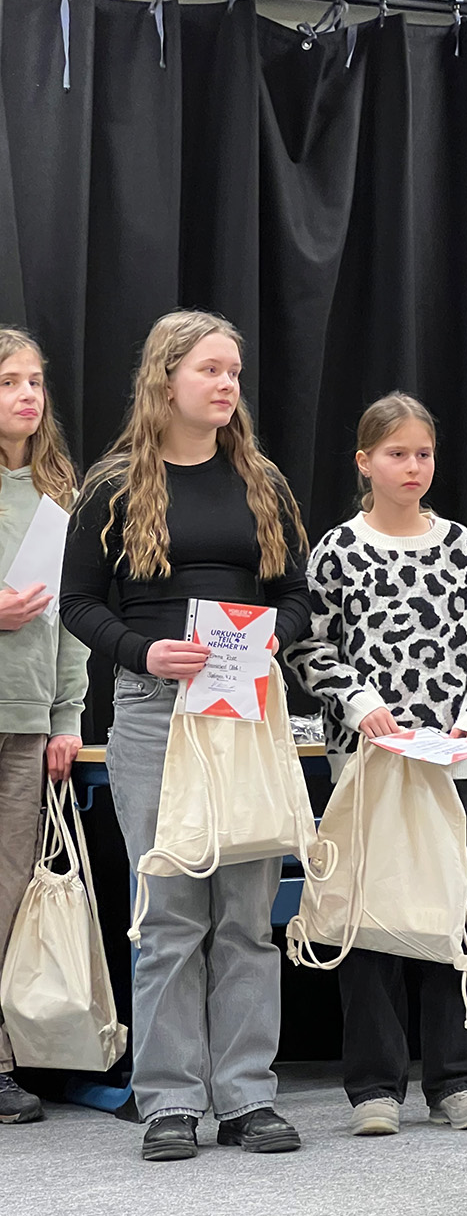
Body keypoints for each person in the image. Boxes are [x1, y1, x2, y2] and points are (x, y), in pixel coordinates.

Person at [60, 310, 311, 1159]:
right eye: (210, 369)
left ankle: (246, 1097)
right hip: (152, 709)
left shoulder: (260, 480)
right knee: (167, 910)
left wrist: (271, 639)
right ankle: (168, 1098)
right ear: (165, 379)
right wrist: (143, 651)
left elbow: (295, 594)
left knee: (245, 912)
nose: (227, 383)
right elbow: (77, 602)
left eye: (233, 371)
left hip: (242, 709)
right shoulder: (114, 484)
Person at [287, 392, 467, 1137]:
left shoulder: (459, 544)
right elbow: (308, 645)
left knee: (450, 912)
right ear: (364, 462)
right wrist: (357, 702)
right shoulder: (338, 549)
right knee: (369, 916)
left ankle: (458, 1078)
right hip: (368, 766)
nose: (412, 466)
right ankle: (375, 1085)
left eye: (423, 453)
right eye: (396, 454)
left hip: (450, 765)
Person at [0, 327, 89, 1126]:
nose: (27, 395)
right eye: (7, 382)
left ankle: (2, 1060)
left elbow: (70, 618)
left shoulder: (57, 489)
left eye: (34, 381)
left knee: (9, 895)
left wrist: (66, 715)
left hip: (26, 722)